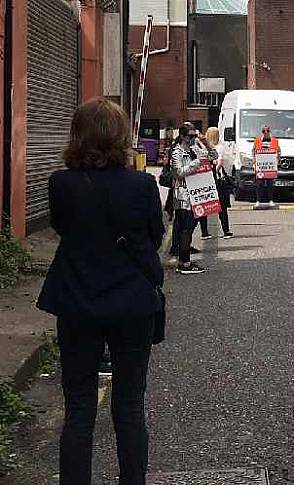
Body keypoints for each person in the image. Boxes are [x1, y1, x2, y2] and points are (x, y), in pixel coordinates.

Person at [37, 98, 164, 485]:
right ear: (120, 137)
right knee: (128, 408)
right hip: (130, 304)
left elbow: (63, 228)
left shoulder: (61, 184)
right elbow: (154, 237)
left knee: (78, 409)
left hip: (77, 301)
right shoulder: (142, 185)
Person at [170, 123, 207, 274]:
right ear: (183, 136)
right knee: (185, 229)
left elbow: (213, 155)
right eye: (190, 137)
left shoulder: (194, 149)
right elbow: (179, 172)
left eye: (194, 136)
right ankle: (184, 263)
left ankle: (184, 259)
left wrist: (204, 142)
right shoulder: (176, 152)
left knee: (190, 228)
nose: (193, 139)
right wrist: (197, 163)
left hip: (195, 195)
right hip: (182, 195)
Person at [205, 127, 233, 238]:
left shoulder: (205, 149)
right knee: (222, 207)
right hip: (218, 180)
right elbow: (219, 163)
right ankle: (226, 231)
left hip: (207, 180)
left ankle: (204, 232)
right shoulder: (220, 148)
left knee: (205, 205)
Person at [254, 125, 279, 209]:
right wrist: (254, 163)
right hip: (260, 167)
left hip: (271, 167)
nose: (265, 133)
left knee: (270, 184)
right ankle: (258, 201)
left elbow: (278, 152)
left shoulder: (274, 141)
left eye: (267, 131)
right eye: (263, 131)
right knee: (259, 184)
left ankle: (271, 200)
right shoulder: (257, 141)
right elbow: (254, 152)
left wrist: (277, 162)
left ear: (269, 131)